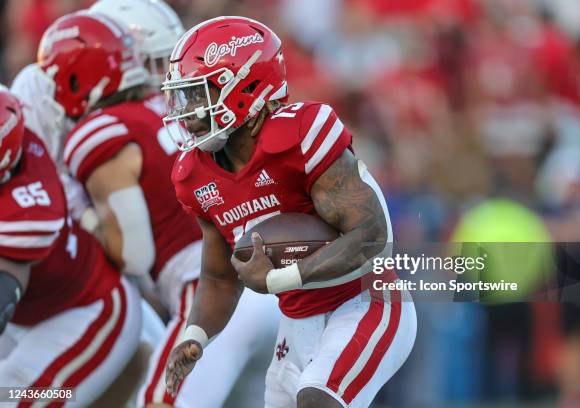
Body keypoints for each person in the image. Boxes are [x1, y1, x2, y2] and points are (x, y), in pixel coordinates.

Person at [163, 16, 417, 408]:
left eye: (201, 94)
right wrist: (194, 335)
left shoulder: (300, 134)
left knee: (317, 399)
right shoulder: (194, 174)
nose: (190, 111)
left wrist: (281, 278)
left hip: (365, 301)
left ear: (246, 87)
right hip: (297, 321)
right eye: (185, 97)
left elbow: (370, 235)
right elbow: (218, 276)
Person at [38, 10, 278, 407]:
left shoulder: (99, 132)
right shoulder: (167, 110)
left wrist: (82, 214)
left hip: (212, 295)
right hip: (271, 289)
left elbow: (135, 254)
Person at [0, 87, 141, 407]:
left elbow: (4, 288)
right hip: (28, 315)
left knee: (14, 399)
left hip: (86, 311)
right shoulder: (16, 134)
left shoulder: (29, 212)